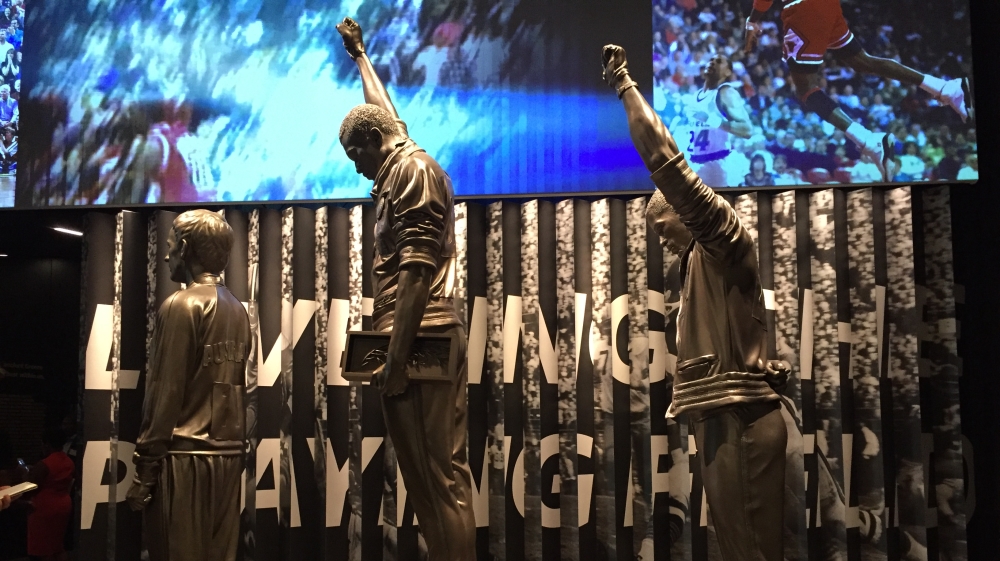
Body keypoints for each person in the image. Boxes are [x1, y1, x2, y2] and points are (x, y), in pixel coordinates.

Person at [603, 44, 789, 561]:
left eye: (663, 229)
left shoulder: (723, 239)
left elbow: (665, 163)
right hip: (725, 417)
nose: (662, 241)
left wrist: (625, 86)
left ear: (687, 213)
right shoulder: (698, 267)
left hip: (740, 421)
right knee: (740, 548)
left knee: (749, 552)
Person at [335, 17, 476, 561]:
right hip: (415, 335)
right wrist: (360, 56)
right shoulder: (397, 159)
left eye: (357, 156)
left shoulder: (411, 171)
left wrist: (395, 359)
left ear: (373, 142)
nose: (358, 170)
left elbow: (417, 270)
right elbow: (386, 115)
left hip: (421, 336)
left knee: (438, 479)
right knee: (426, 479)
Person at [126, 210, 250, 561]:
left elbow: (165, 394)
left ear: (184, 247)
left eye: (169, 246)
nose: (166, 256)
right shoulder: (237, 310)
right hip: (227, 458)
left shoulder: (181, 305)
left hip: (184, 461)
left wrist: (145, 473)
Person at [745, 0, 974, 183]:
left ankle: (869, 141)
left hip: (803, 9)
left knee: (805, 89)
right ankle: (944, 87)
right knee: (862, 61)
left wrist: (753, 20)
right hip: (827, 6)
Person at [668, 54, 753, 187]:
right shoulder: (695, 95)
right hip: (693, 162)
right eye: (711, 60)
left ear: (728, 72)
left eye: (719, 61)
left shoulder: (726, 92)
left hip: (715, 164)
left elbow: (747, 130)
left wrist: (711, 119)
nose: (712, 62)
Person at [24, 428, 74, 561]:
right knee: (57, 545)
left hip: (44, 507)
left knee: (43, 547)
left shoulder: (44, 464)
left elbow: (30, 486)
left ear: (46, 444)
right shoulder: (68, 461)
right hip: (64, 504)